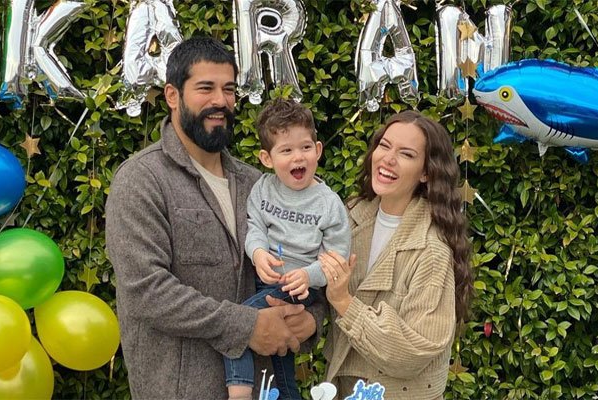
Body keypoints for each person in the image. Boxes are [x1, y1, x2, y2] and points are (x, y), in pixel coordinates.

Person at [105, 37, 326, 400]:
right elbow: (146, 290)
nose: (220, 101)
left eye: (229, 89)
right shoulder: (141, 180)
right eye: (205, 88)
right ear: (173, 95)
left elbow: (301, 260)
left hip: (265, 389)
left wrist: (310, 318)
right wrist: (247, 326)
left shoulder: (258, 184)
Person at [317, 110, 473, 399]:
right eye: (384, 146)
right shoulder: (348, 217)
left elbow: (413, 352)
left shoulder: (431, 250)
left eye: (406, 154)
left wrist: (344, 302)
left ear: (426, 173)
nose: (388, 159)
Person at [223, 98, 351, 400]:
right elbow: (255, 228)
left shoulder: (328, 203)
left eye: (305, 147)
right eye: (286, 150)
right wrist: (257, 253)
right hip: (265, 280)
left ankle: (239, 391)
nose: (298, 157)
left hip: (299, 288)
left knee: (239, 323)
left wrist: (308, 275)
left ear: (318, 150)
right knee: (282, 366)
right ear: (267, 158)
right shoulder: (263, 188)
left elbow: (337, 257)